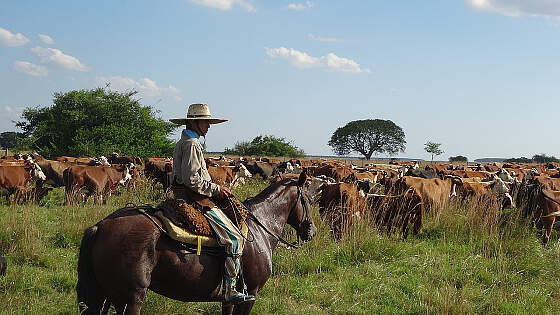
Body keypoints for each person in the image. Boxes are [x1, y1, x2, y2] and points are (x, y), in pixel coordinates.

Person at [169, 103, 255, 305]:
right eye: (206, 122)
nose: (208, 126)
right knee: (234, 238)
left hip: (190, 194)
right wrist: (217, 189)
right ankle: (229, 290)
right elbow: (192, 180)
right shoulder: (191, 144)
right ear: (194, 122)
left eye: (209, 122)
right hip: (195, 198)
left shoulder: (187, 142)